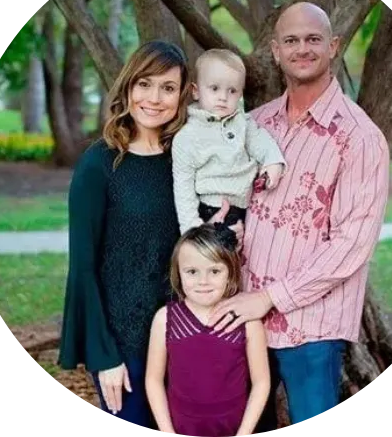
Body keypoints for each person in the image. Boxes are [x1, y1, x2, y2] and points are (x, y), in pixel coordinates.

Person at [206, 2, 391, 428]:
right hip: (242, 313)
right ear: (276, 51)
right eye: (291, 40)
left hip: (312, 328)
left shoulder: (360, 138)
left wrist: (270, 298)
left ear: (334, 46)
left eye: (313, 39)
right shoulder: (254, 125)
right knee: (242, 426)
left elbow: (351, 244)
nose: (302, 49)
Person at [56, 40, 242, 429]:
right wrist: (103, 355)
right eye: (145, 84)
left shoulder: (189, 156)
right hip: (123, 342)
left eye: (168, 88)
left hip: (186, 332)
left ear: (184, 95)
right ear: (128, 86)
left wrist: (229, 230)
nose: (154, 98)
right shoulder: (99, 164)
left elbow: (206, 235)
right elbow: (83, 269)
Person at [145, 223, 271, 437]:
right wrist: (167, 432)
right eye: (192, 272)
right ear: (178, 273)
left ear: (230, 272)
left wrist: (243, 434)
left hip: (234, 429)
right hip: (180, 429)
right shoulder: (164, 319)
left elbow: (261, 382)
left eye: (214, 271)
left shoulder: (247, 322)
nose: (203, 281)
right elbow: (153, 380)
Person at [171, 48, 287, 235]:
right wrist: (193, 230)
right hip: (209, 209)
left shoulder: (243, 123)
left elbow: (262, 143)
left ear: (240, 95)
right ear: (196, 91)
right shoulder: (188, 137)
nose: (223, 97)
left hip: (246, 208)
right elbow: (183, 188)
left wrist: (273, 162)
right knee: (220, 251)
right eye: (214, 88)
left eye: (232, 91)